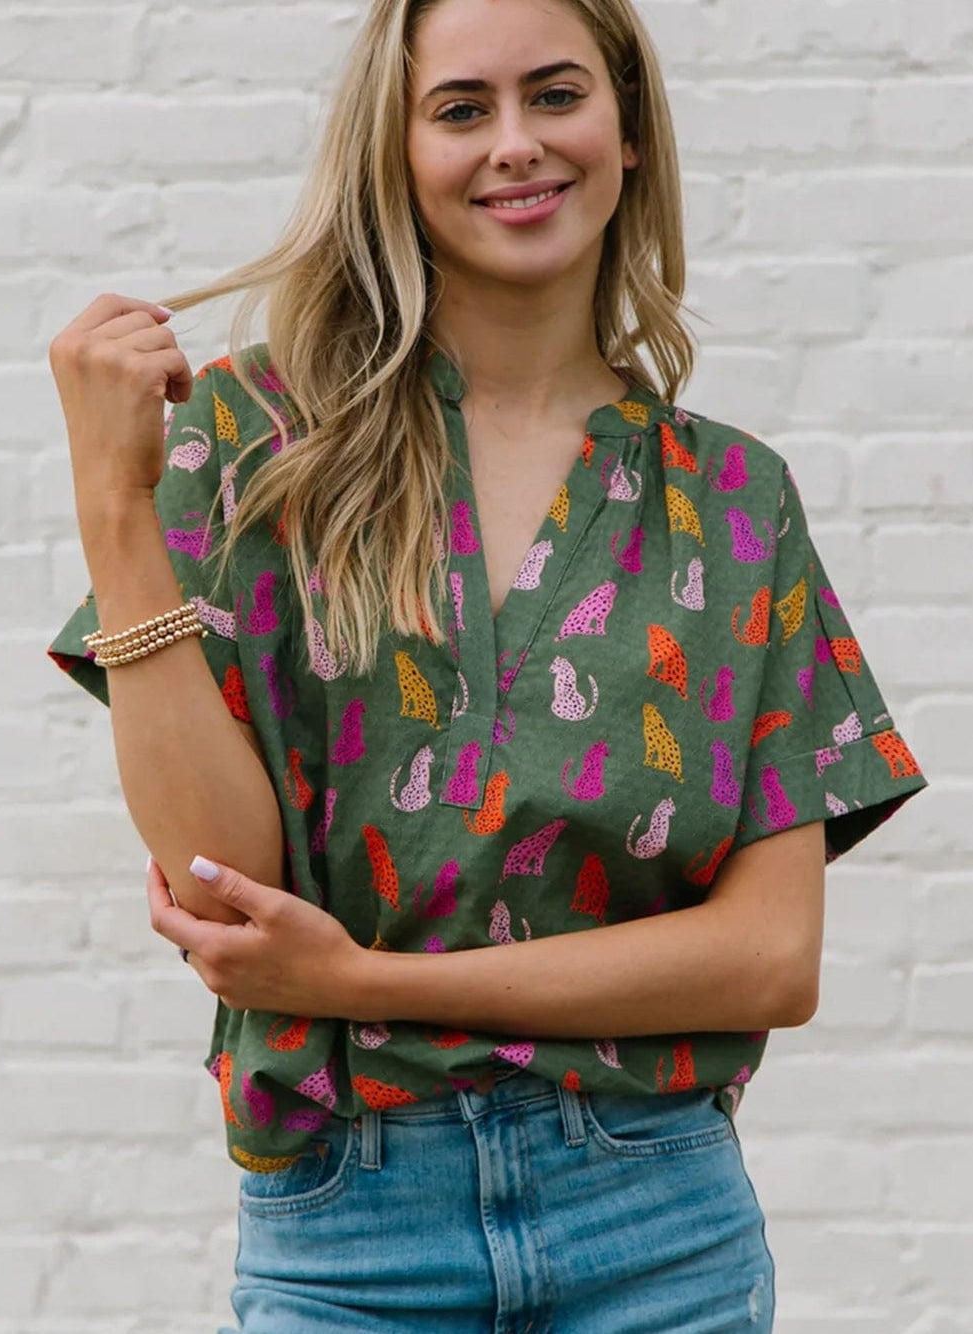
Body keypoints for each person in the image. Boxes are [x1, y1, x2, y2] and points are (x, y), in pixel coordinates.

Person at [47, 0, 928, 1329]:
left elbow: (766, 957)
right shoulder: (254, 440)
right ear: (394, 155)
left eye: (555, 95)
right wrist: (115, 511)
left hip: (657, 1224)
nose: (514, 144)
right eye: (461, 109)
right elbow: (228, 893)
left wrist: (361, 985)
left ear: (626, 129)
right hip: (350, 1228)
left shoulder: (735, 498)